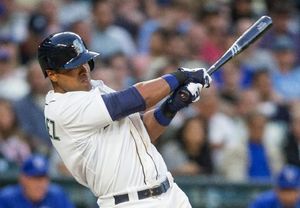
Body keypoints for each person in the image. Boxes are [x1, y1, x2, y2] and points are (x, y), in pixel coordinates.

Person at [37, 31, 211, 207]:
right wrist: (182, 76)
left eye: (84, 61)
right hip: (129, 201)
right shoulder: (62, 107)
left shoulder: (93, 90)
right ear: (52, 74)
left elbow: (143, 130)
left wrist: (173, 105)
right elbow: (135, 99)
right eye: (73, 66)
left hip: (170, 193)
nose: (83, 70)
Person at [0, 154, 74, 208]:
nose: (40, 184)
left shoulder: (57, 195)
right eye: (35, 178)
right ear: (23, 179)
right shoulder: (6, 198)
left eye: (43, 178)